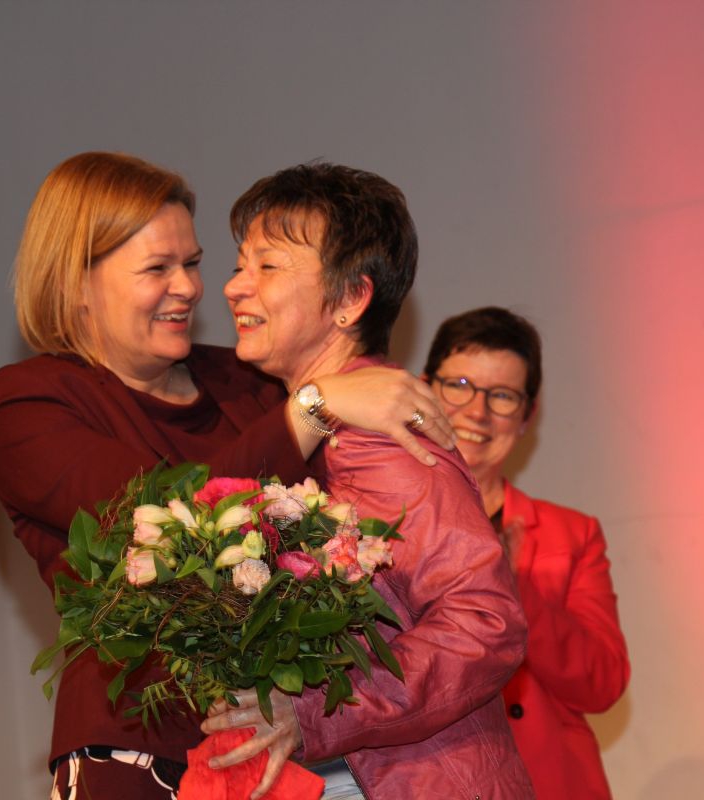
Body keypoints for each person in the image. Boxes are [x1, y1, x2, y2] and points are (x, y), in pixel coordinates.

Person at [0, 151, 456, 799]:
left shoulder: (248, 381)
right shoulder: (27, 402)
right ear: (77, 282)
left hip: (282, 750)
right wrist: (312, 408)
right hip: (138, 751)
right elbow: (170, 522)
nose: (190, 288)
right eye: (158, 268)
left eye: (194, 263)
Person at [201, 163, 534, 799]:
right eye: (240, 265)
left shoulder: (377, 436)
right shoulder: (320, 426)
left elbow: (484, 620)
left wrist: (315, 712)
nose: (234, 287)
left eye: (267, 266)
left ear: (351, 299)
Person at [422, 306, 630, 800]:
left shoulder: (572, 534)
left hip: (546, 782)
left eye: (502, 396)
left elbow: (603, 684)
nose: (477, 412)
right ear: (425, 391)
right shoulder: (378, 521)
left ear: (526, 416)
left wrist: (518, 591)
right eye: (460, 385)